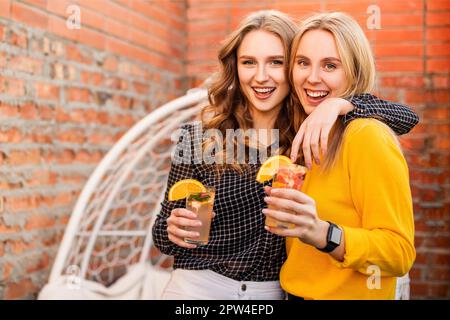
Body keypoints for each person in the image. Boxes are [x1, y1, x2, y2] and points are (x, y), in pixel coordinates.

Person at [152, 10, 418, 300]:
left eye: (276, 62)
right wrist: (173, 229)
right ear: (235, 67)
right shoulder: (198, 137)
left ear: (289, 68)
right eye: (248, 62)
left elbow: (407, 117)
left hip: (271, 292)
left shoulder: (304, 133)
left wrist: (340, 105)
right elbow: (162, 237)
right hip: (200, 286)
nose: (261, 76)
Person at [263, 12, 416, 299]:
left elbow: (399, 252)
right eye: (303, 63)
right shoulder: (298, 135)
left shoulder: (366, 136)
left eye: (330, 66)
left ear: (354, 73)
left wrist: (323, 233)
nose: (312, 77)